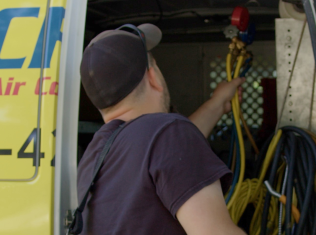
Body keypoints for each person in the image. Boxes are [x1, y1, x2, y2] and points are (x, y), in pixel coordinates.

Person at [75, 23, 246, 235]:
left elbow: (168, 157)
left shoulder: (93, 156)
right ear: (153, 77)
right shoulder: (170, 135)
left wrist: (218, 103)